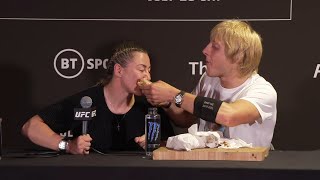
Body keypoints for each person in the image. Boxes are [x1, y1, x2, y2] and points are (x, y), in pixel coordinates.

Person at [140, 20, 277, 148]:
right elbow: (186, 119)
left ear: (238, 56)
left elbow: (228, 116)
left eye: (215, 47)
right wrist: (167, 102)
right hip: (207, 167)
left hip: (245, 171)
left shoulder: (262, 91)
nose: (205, 50)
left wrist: (174, 94)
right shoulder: (209, 79)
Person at [21, 41, 174, 155]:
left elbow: (172, 143)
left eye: (149, 70)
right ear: (119, 70)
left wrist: (155, 144)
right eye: (142, 69)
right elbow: (31, 127)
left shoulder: (151, 105)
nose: (147, 76)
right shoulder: (86, 102)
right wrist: (67, 146)